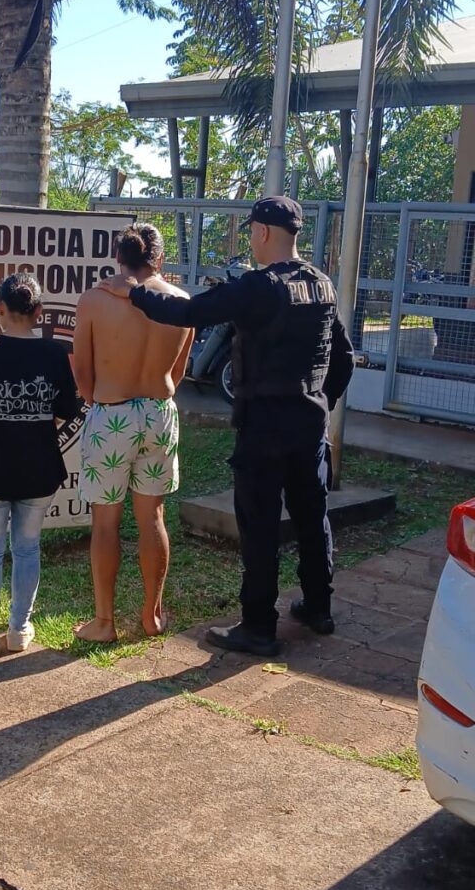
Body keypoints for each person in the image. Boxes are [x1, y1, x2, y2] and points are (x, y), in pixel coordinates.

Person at [102, 198, 354, 657]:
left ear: (261, 232)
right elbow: (343, 357)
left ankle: (258, 626)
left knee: (259, 527)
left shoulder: (259, 287)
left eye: (251, 231)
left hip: (264, 428)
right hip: (308, 425)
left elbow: (188, 313)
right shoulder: (321, 284)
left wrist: (134, 293)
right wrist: (322, 402)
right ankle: (319, 607)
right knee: (312, 517)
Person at [72, 223, 194, 642]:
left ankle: (104, 622)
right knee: (152, 517)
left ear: (117, 259)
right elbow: (177, 374)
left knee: (105, 523)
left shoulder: (93, 301)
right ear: (158, 259)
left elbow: (82, 377)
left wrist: (100, 397)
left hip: (111, 415)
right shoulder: (181, 301)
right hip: (160, 412)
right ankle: (151, 614)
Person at [0, 273, 79, 659]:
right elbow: (64, 413)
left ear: (0, 310)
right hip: (40, 465)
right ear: (39, 312)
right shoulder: (56, 353)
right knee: (28, 549)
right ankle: (20, 629)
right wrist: (33, 428)